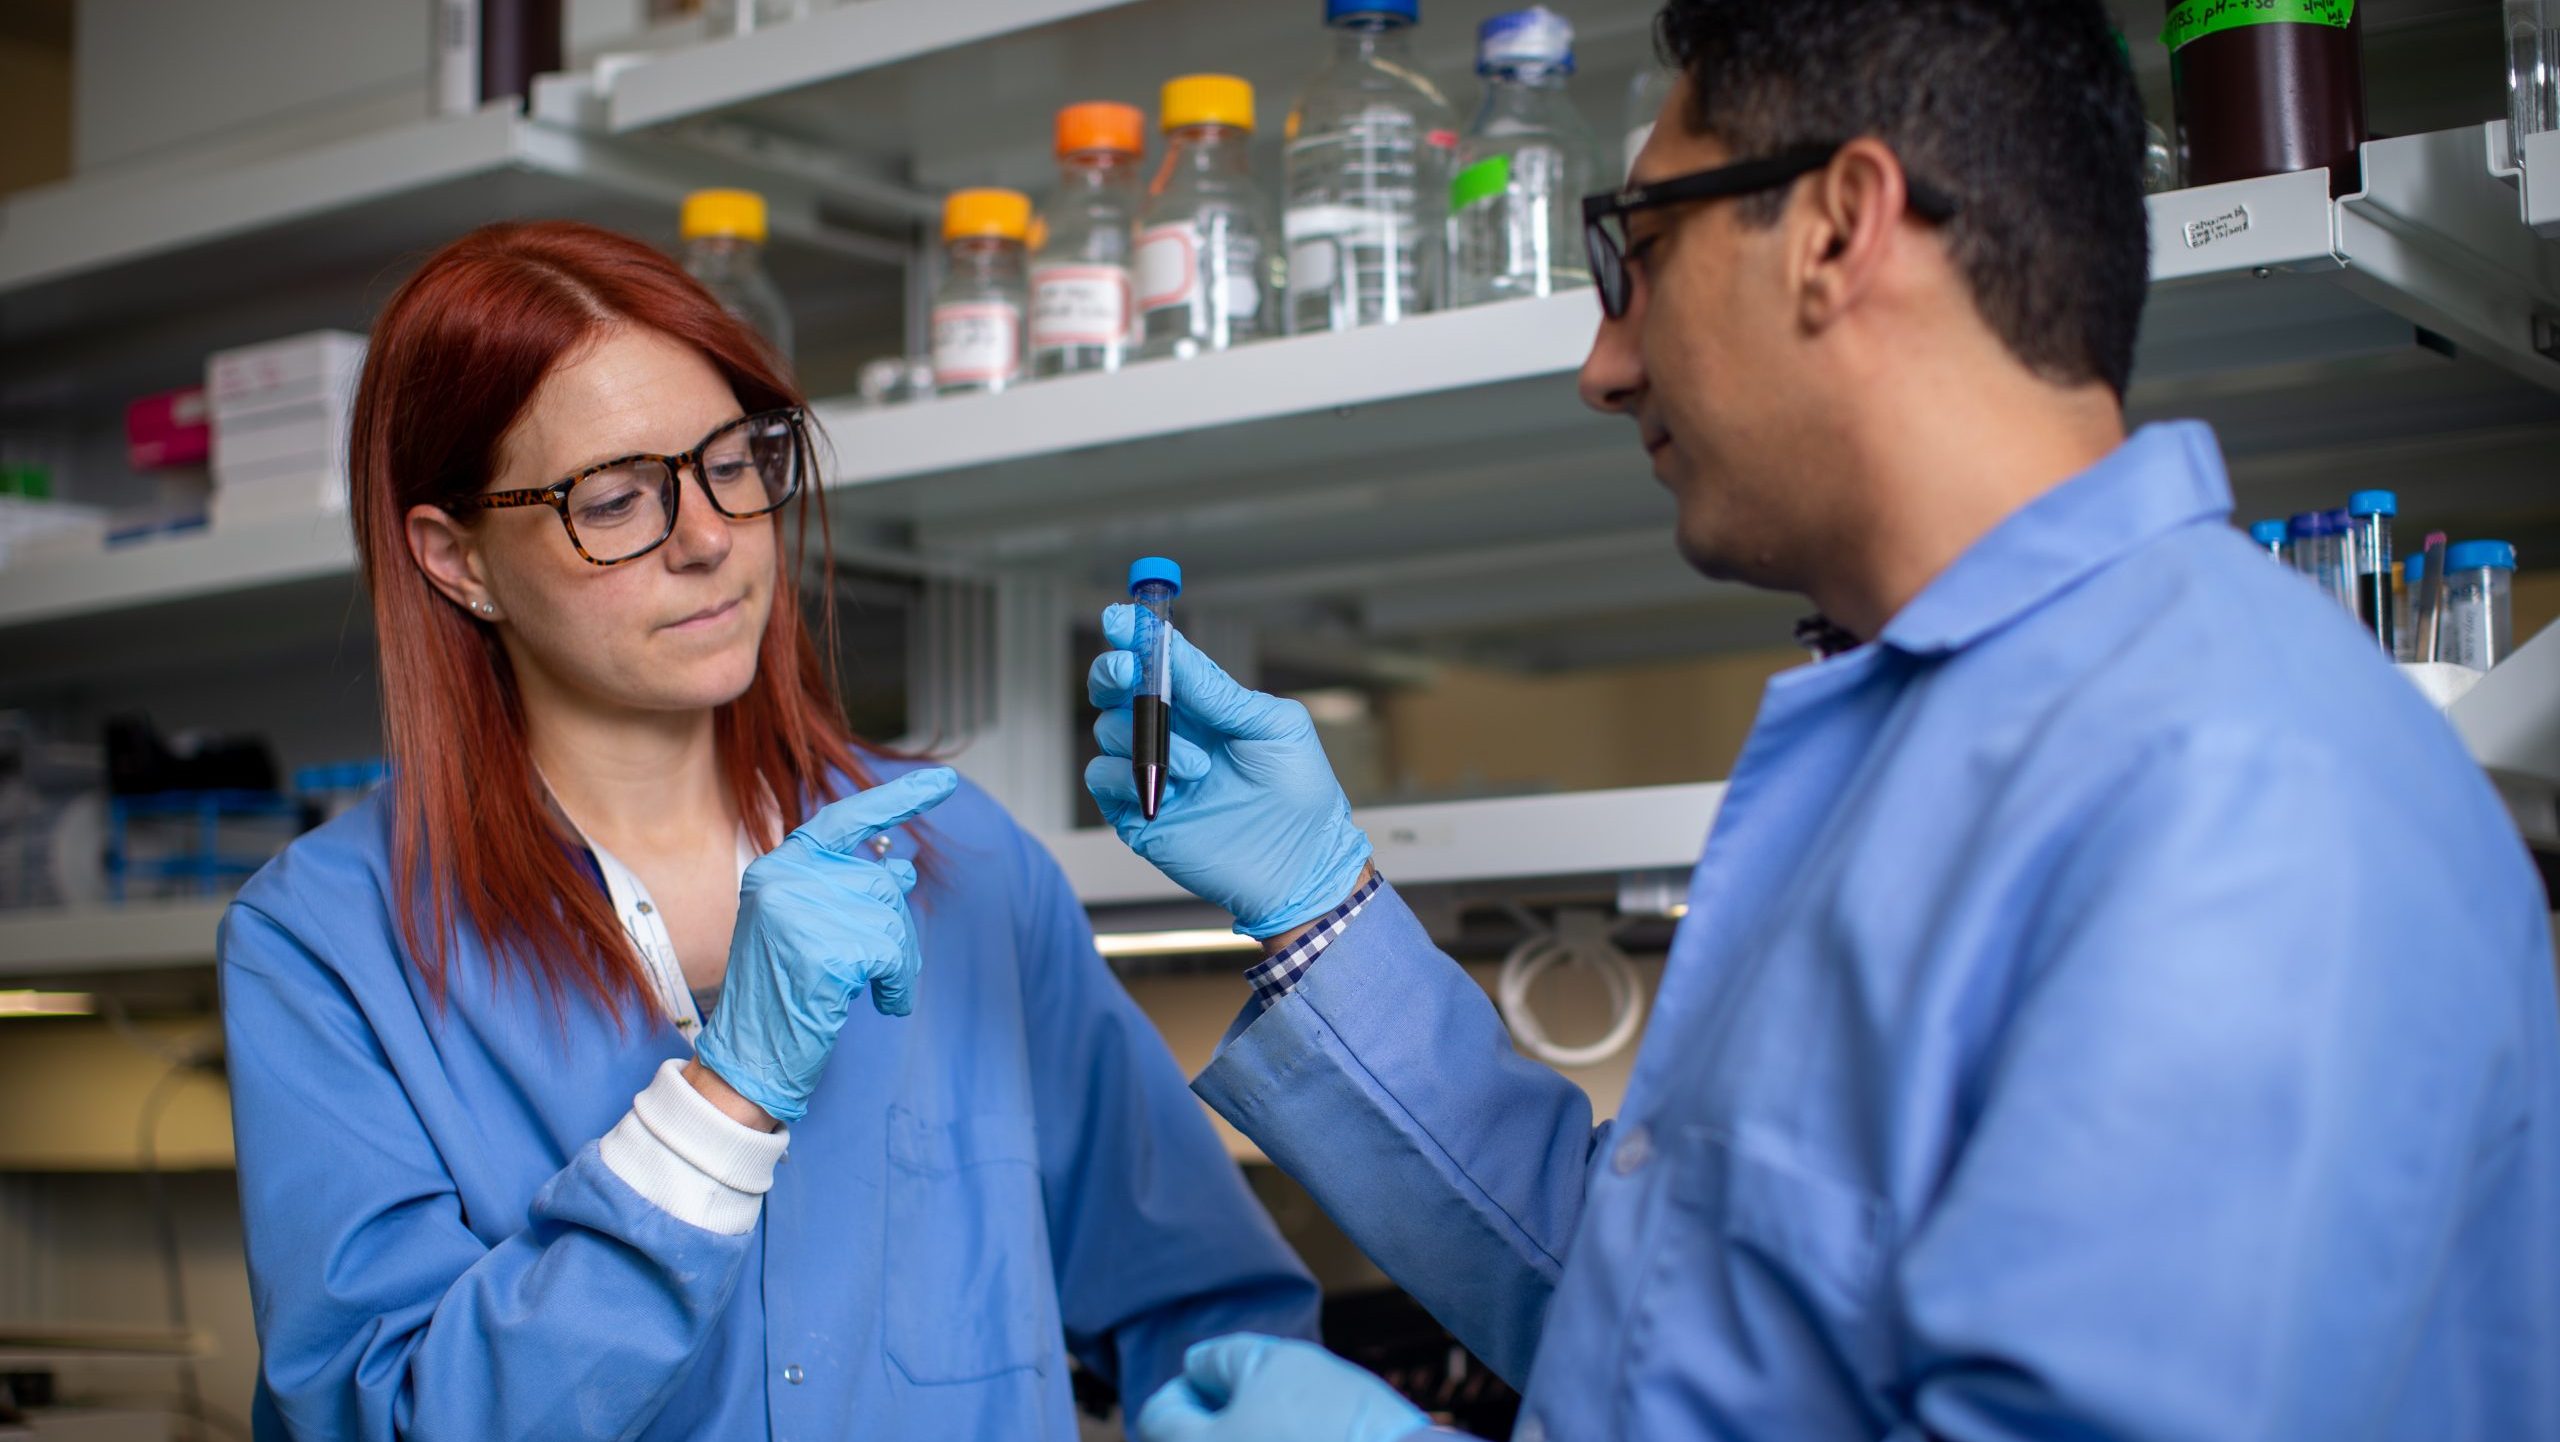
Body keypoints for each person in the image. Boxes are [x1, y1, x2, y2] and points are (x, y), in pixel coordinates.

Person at [1085, 2, 2560, 1439]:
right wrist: (1320, 911)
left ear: (1841, 229)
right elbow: (1672, 1322)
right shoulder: (1956, 736)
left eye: (1639, 251)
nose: (1603, 366)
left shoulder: (2233, 789)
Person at [218, 220, 1317, 1442]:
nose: (710, 537)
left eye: (732, 462)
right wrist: (719, 1107)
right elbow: (381, 1418)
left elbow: (1207, 1316)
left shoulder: (964, 862)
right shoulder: (325, 943)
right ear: (456, 559)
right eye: (616, 499)